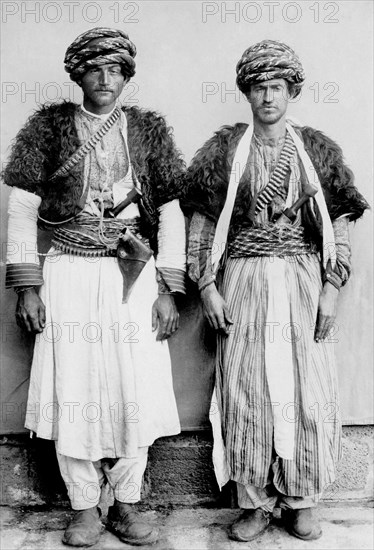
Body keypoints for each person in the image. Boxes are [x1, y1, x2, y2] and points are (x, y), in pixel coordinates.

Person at [4, 27, 186, 547]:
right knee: (75, 386)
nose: (105, 80)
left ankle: (128, 504)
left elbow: (170, 212)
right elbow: (22, 209)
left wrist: (168, 289)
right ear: (77, 74)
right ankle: (84, 507)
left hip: (133, 276)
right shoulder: (51, 128)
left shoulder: (148, 131)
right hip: (68, 272)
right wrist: (28, 288)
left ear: (127, 76)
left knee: (134, 387)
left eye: (115, 70)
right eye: (94, 69)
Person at [183, 40, 368, 542]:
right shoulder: (224, 153)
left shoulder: (317, 152)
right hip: (242, 277)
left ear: (292, 92)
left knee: (307, 388)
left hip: (303, 278)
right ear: (247, 93)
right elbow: (200, 226)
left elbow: (338, 226)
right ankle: (253, 502)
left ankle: (302, 498)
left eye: (277, 87)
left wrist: (332, 288)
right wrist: (206, 288)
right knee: (247, 388)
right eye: (259, 87)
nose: (268, 96)